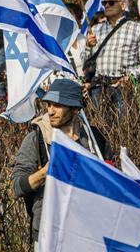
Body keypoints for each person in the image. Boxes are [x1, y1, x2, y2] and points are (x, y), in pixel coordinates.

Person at [10, 77, 108, 240]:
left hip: (89, 232)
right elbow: (17, 187)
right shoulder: (36, 139)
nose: (50, 111)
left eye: (58, 105)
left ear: (75, 109)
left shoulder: (94, 139)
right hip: (49, 233)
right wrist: (45, 172)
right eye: (49, 104)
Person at [81, 0, 140, 117]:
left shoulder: (136, 28)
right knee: (101, 131)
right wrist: (88, 46)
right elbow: (85, 62)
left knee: (125, 131)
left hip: (124, 87)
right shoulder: (96, 29)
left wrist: (130, 77)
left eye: (111, 2)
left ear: (123, 5)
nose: (106, 5)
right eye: (104, 2)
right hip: (99, 88)